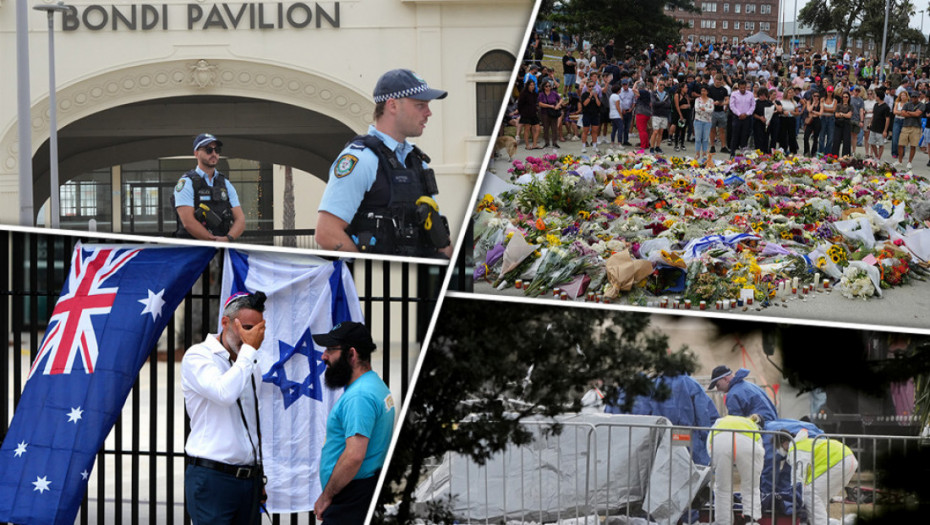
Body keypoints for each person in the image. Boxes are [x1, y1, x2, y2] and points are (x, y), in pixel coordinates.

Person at [315, 69, 452, 258]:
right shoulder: (361, 160)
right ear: (393, 105)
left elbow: (438, 234)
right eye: (420, 105)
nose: (429, 113)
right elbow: (327, 233)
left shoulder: (417, 162)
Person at [182, 291, 268, 525]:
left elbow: (251, 423)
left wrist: (257, 472)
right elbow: (224, 393)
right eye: (246, 328)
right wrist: (249, 352)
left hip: (248, 480)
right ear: (225, 322)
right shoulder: (199, 356)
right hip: (213, 479)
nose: (251, 338)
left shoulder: (249, 363)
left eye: (257, 330)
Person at [313, 322, 395, 524]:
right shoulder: (374, 384)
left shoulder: (359, 396)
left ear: (352, 354)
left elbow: (354, 456)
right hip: (360, 493)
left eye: (331, 350)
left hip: (350, 500)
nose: (324, 356)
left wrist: (327, 496)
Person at [173, 133, 246, 242]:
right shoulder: (187, 183)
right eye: (208, 150)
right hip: (192, 250)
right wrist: (214, 241)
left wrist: (228, 238)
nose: (214, 153)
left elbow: (240, 219)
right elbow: (188, 222)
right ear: (196, 153)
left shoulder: (225, 184)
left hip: (221, 249)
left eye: (217, 150)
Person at [776, 430, 859, 525]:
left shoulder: (796, 448)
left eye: (777, 447)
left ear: (785, 443)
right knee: (818, 500)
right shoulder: (804, 443)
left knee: (809, 494)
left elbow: (798, 476)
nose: (778, 450)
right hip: (847, 460)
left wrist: (796, 496)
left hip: (838, 461)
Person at [709, 414, 765, 525]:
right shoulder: (753, 428)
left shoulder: (723, 420)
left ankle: (723, 521)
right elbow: (759, 456)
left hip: (719, 441)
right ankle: (751, 520)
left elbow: (710, 446)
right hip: (748, 443)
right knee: (751, 487)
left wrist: (718, 464)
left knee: (722, 488)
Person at [709, 366, 777, 423]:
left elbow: (737, 423)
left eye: (718, 385)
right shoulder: (749, 385)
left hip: (760, 428)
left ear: (726, 379)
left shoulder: (733, 395)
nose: (718, 389)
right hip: (771, 424)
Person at [896, 89, 925, 170]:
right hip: (906, 126)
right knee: (900, 144)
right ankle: (900, 161)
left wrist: (908, 112)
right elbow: (903, 113)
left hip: (916, 127)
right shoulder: (907, 104)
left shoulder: (922, 105)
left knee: (913, 145)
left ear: (918, 97)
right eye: (912, 97)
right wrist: (912, 113)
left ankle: (909, 162)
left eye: (915, 97)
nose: (913, 98)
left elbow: (918, 114)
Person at [728, 79, 755, 157]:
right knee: (735, 135)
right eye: (741, 88)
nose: (742, 89)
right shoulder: (734, 94)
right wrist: (739, 114)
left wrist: (747, 114)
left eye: (744, 88)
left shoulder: (750, 94)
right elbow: (732, 106)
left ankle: (743, 153)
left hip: (747, 117)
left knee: (745, 135)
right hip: (737, 117)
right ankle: (732, 153)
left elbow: (753, 105)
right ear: (738, 87)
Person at [537, 81, 563, 149]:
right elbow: (540, 104)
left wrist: (558, 104)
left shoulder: (554, 93)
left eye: (549, 86)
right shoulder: (541, 94)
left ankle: (555, 142)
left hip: (553, 112)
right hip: (545, 113)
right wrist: (549, 106)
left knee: (554, 127)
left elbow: (560, 99)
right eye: (546, 86)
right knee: (546, 128)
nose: (548, 87)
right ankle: (547, 142)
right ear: (543, 87)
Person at [868, 88, 892, 160]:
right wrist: (870, 122)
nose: (875, 97)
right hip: (873, 127)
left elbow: (887, 119)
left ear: (878, 97)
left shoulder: (886, 107)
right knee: (872, 143)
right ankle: (876, 156)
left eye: (876, 96)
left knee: (881, 144)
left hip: (881, 128)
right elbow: (873, 115)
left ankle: (878, 158)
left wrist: (885, 130)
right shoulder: (875, 105)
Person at [693, 85, 714, 161]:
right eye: (702, 90)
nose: (703, 92)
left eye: (704, 90)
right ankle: (697, 153)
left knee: (705, 139)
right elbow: (697, 109)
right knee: (698, 138)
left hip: (707, 121)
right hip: (698, 120)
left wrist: (704, 109)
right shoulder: (697, 99)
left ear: (707, 92)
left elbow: (711, 110)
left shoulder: (711, 100)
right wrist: (706, 110)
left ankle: (704, 153)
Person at [832, 91, 853, 157]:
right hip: (838, 124)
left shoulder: (850, 106)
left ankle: (845, 157)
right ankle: (835, 157)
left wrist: (841, 114)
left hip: (846, 125)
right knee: (836, 141)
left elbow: (849, 116)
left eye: (846, 97)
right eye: (844, 97)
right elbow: (836, 115)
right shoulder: (838, 105)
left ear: (849, 98)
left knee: (846, 142)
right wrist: (844, 115)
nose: (845, 98)